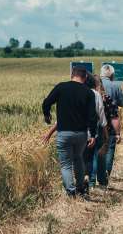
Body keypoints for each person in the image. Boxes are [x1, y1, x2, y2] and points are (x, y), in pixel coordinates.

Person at [41, 66, 97, 198]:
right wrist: (93, 134)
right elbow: (92, 116)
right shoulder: (89, 92)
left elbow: (46, 103)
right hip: (81, 134)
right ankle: (80, 188)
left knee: (66, 164)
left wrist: (47, 115)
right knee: (78, 159)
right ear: (85, 77)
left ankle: (71, 191)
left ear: (72, 75)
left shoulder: (61, 87)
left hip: (64, 133)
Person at [83, 74, 110, 190]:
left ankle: (83, 177)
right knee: (93, 155)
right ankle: (91, 182)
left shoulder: (80, 92)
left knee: (82, 156)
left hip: (80, 129)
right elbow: (101, 113)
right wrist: (105, 131)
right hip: (94, 129)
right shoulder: (96, 94)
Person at [100, 64, 123, 179]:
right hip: (110, 123)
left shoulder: (94, 84)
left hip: (96, 123)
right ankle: (105, 175)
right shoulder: (115, 86)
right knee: (109, 149)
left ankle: (94, 177)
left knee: (96, 149)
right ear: (112, 75)